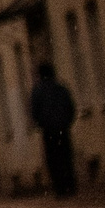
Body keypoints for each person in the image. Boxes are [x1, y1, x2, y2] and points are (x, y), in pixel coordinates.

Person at [30, 62, 78, 197]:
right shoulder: (61, 88)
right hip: (63, 128)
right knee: (66, 157)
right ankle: (70, 186)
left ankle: (60, 188)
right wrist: (66, 122)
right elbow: (70, 107)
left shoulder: (38, 91)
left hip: (49, 130)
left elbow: (34, 112)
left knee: (53, 160)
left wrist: (42, 124)